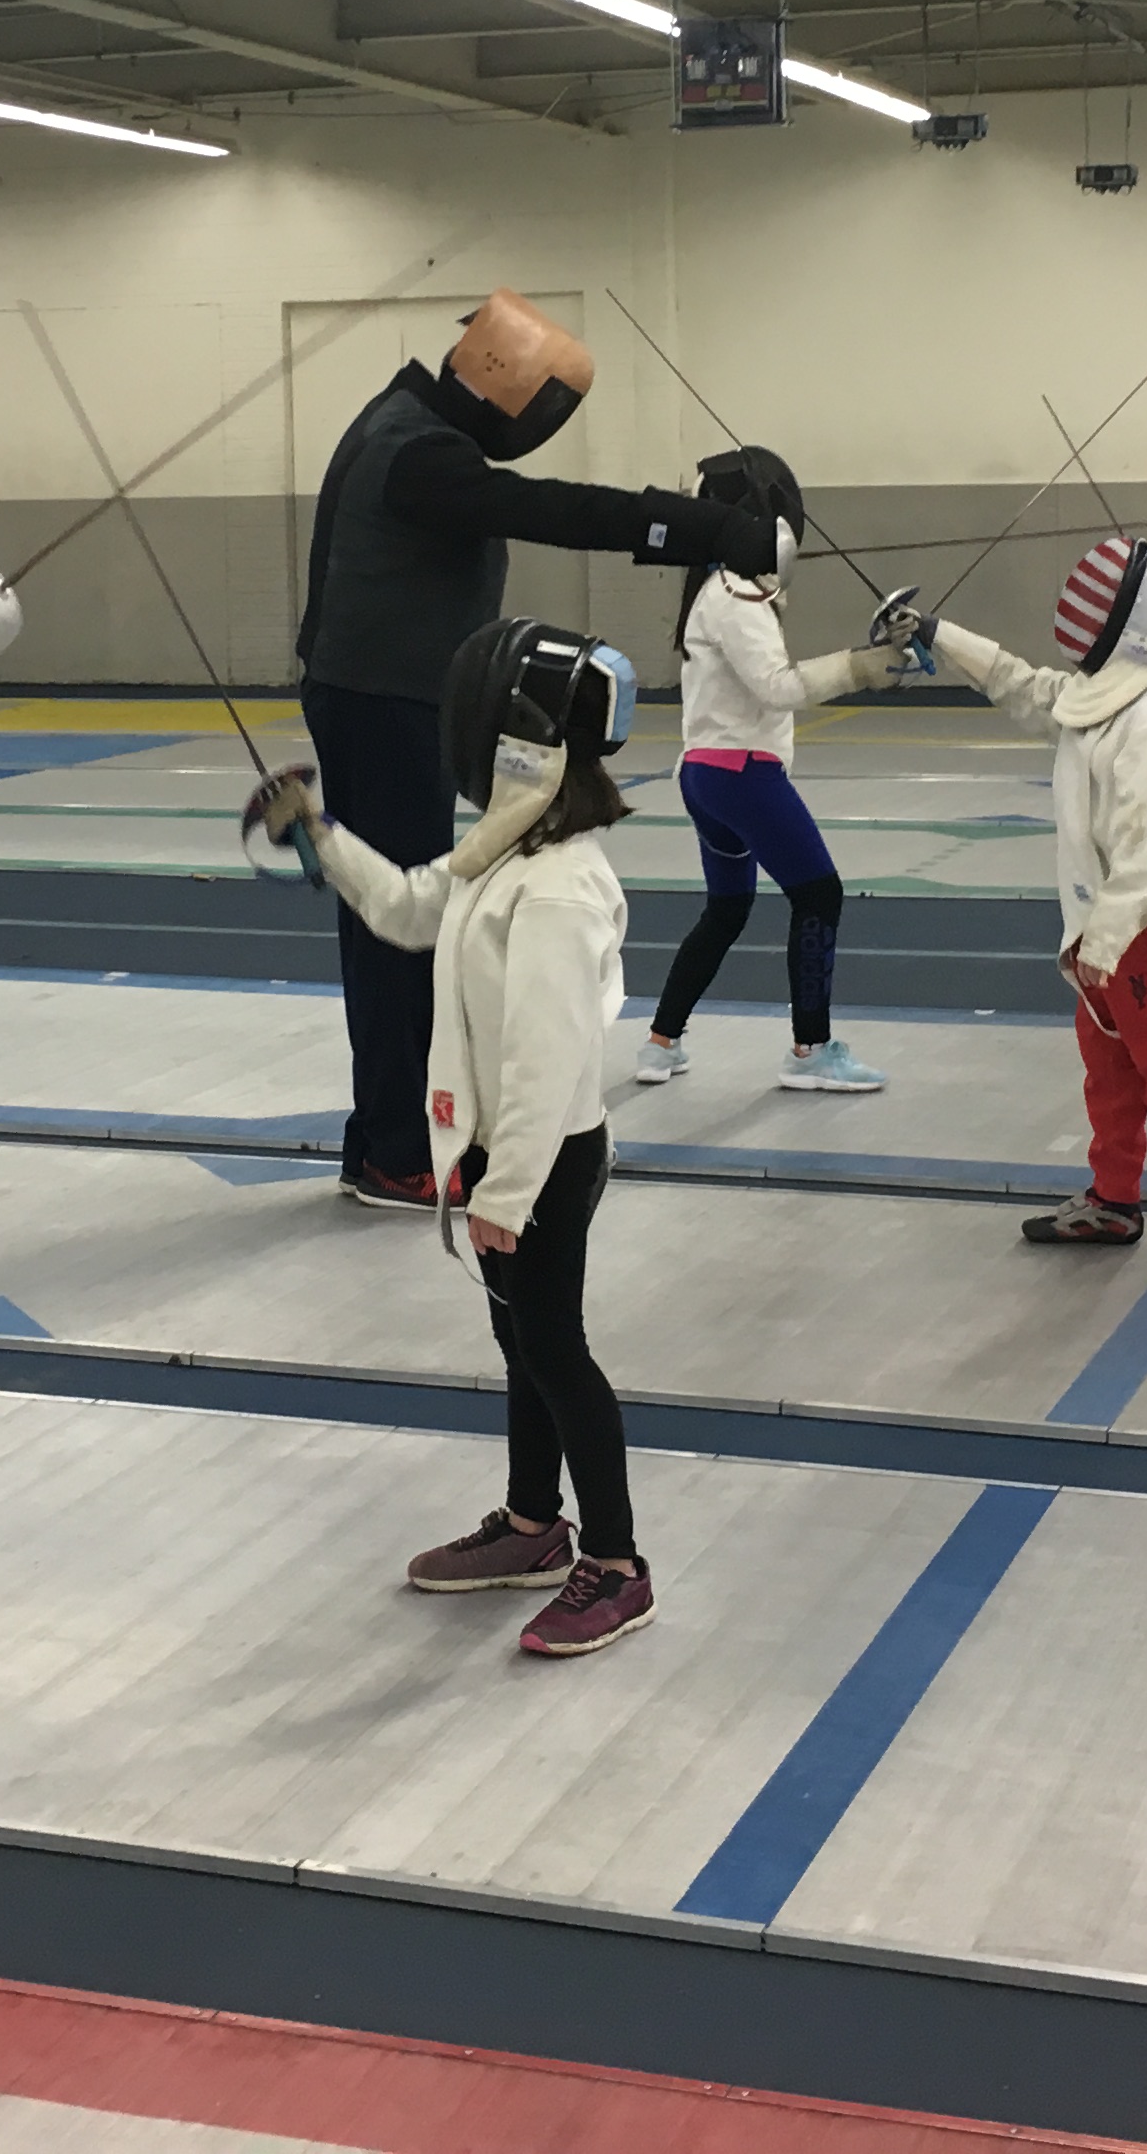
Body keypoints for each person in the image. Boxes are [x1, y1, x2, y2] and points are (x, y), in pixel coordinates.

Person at [293, 293, 776, 1209]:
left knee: (393, 923)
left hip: (379, 697)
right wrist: (700, 530)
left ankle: (390, 1137)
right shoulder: (420, 454)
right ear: (507, 389)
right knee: (400, 934)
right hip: (381, 704)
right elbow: (553, 508)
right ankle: (397, 1149)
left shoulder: (405, 422)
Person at [246, 617, 654, 1659]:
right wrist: (319, 835)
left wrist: (505, 1196)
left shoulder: (558, 890)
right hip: (502, 1155)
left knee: (556, 1350)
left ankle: (616, 1563)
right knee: (520, 1342)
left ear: (511, 743)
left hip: (545, 1157)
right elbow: (409, 906)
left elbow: (548, 1062)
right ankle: (532, 1528)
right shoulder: (507, 851)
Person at [897, 533, 1147, 1271]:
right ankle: (1114, 1200)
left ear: (1131, 624)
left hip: (1145, 932)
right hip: (1092, 934)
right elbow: (1021, 684)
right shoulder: (1094, 697)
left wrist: (1108, 940)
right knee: (1109, 1077)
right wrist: (938, 633)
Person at [635, 446, 898, 1095]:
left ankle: (660, 1044)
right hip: (741, 776)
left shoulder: (710, 593)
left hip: (702, 776)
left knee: (727, 909)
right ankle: (810, 1051)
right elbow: (778, 687)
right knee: (819, 894)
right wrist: (860, 667)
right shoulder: (736, 599)